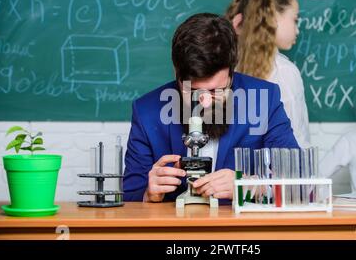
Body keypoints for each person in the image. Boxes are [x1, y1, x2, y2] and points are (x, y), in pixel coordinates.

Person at [123, 13, 299, 202]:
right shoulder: (146, 112)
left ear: (232, 72)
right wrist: (148, 194)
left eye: (217, 90)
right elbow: (130, 197)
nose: (205, 102)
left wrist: (254, 186)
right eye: (193, 90)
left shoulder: (264, 100)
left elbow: (299, 181)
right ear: (176, 71)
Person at [226, 0, 311, 148]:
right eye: (295, 20)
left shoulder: (228, 67)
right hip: (280, 169)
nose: (297, 30)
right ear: (273, 19)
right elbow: (297, 139)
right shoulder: (285, 72)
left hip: (236, 171)